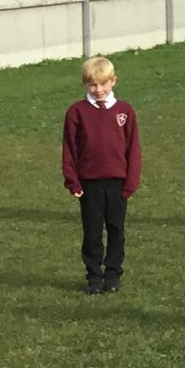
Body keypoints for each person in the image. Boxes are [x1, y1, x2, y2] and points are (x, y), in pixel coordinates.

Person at [62, 55, 142, 294]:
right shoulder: (76, 112)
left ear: (113, 81)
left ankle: (113, 274)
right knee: (92, 230)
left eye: (103, 84)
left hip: (118, 181)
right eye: (92, 85)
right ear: (85, 85)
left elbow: (133, 148)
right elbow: (69, 149)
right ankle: (94, 276)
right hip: (89, 183)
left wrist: (131, 181)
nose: (98, 90)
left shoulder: (124, 111)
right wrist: (72, 180)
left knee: (116, 228)